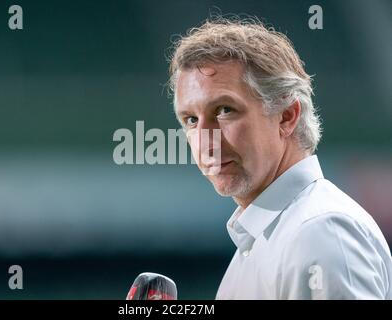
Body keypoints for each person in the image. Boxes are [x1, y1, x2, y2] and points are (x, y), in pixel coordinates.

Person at [168, 17, 392, 299]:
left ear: (286, 116)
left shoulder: (319, 231)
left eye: (225, 110)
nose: (204, 140)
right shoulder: (265, 238)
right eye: (190, 119)